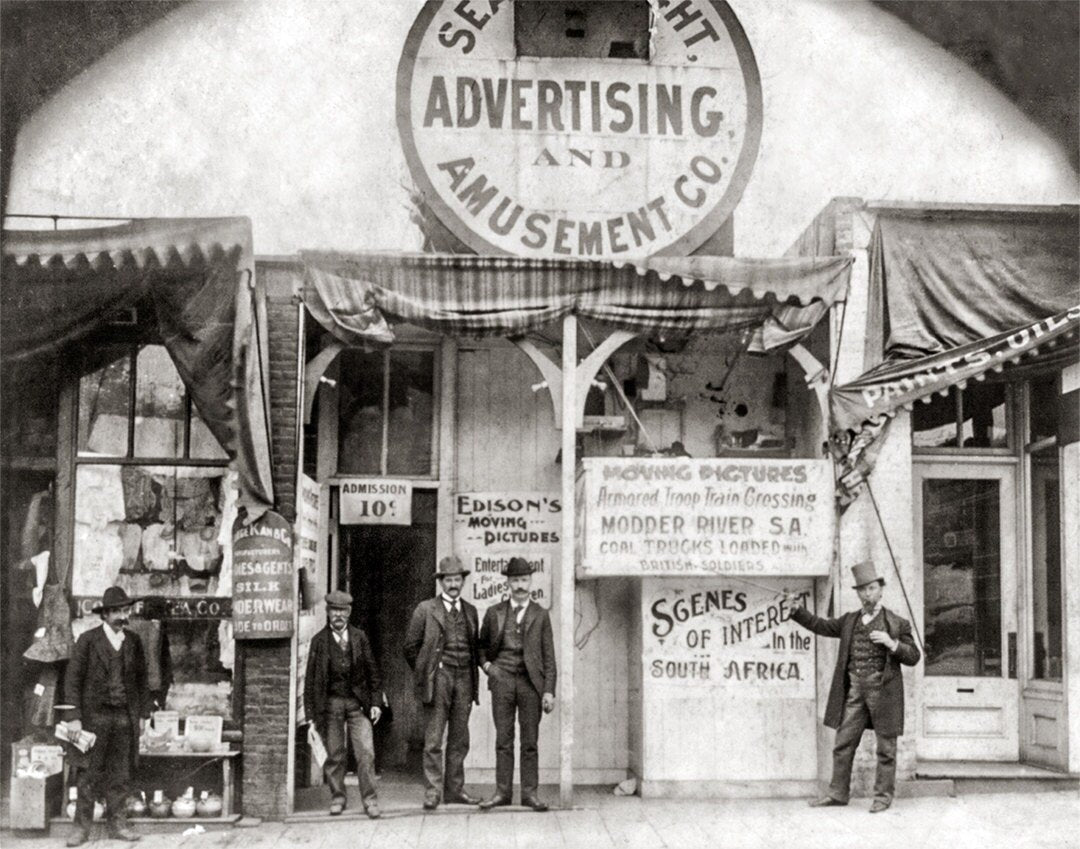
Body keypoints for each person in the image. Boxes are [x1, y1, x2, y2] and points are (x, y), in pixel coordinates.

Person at [784, 560, 921, 813]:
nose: (867, 594)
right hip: (855, 691)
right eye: (862, 590)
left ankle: (882, 796)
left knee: (886, 748)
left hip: (884, 692)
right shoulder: (849, 621)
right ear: (858, 593)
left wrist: (892, 644)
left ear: (880, 589)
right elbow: (821, 626)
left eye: (871, 588)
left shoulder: (897, 623)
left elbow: (913, 656)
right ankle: (837, 793)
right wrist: (797, 611)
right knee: (843, 743)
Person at [63, 586, 149, 846]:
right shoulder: (88, 640)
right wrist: (74, 717)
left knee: (120, 775)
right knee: (88, 775)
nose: (123, 616)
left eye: (126, 610)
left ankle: (118, 826)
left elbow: (142, 681)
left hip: (124, 717)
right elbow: (72, 680)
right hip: (93, 719)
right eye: (117, 612)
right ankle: (81, 829)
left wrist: (143, 715)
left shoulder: (133, 641)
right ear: (105, 615)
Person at [478, 557, 556, 812]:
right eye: (515, 580)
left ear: (531, 581)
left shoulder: (541, 615)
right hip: (502, 682)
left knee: (530, 741)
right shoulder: (494, 613)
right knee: (503, 739)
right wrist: (489, 668)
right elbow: (481, 648)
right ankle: (502, 792)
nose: (520, 585)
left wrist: (548, 690)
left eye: (524, 580)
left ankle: (529, 794)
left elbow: (549, 657)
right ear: (508, 582)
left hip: (530, 684)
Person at [404, 555, 482, 810]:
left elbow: (475, 647)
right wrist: (427, 671)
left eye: (457, 579)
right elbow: (410, 647)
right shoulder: (426, 609)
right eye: (448, 579)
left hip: (465, 680)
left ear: (462, 581)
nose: (453, 584)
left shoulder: (470, 611)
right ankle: (433, 791)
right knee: (434, 738)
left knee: (460, 738)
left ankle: (454, 790)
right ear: (441, 582)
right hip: (439, 678)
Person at [303, 590, 384, 818]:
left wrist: (376, 701)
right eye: (334, 610)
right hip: (331, 704)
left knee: (365, 752)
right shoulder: (319, 641)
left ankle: (370, 800)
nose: (338, 615)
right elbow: (310, 681)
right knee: (335, 753)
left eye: (343, 611)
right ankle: (338, 797)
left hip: (357, 703)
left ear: (349, 612)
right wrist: (310, 715)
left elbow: (373, 672)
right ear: (328, 612)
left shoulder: (360, 637)